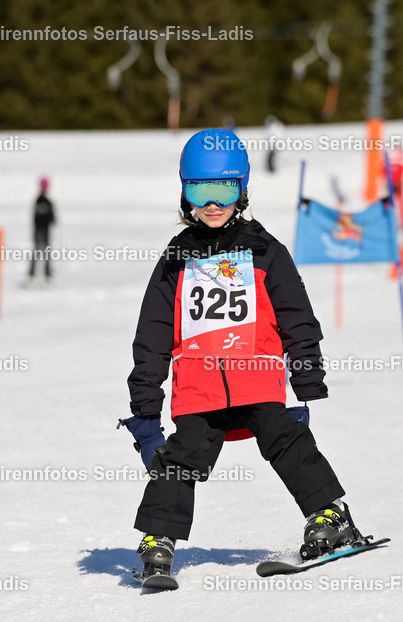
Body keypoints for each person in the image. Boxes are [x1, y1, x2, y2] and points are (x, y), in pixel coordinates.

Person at [120, 128, 363, 581]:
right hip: (199, 390)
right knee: (181, 457)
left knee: (285, 439)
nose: (212, 204)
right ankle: (158, 538)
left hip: (256, 382)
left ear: (243, 190)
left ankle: (330, 518)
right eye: (200, 190)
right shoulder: (175, 260)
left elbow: (297, 316)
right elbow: (152, 334)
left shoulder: (265, 251)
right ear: (184, 191)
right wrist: (145, 406)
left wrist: (306, 377)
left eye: (224, 190)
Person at [29, 176, 56, 284]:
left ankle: (46, 274)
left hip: (44, 230)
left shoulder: (44, 201)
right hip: (40, 229)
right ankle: (33, 274)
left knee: (45, 253)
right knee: (38, 252)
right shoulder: (42, 201)